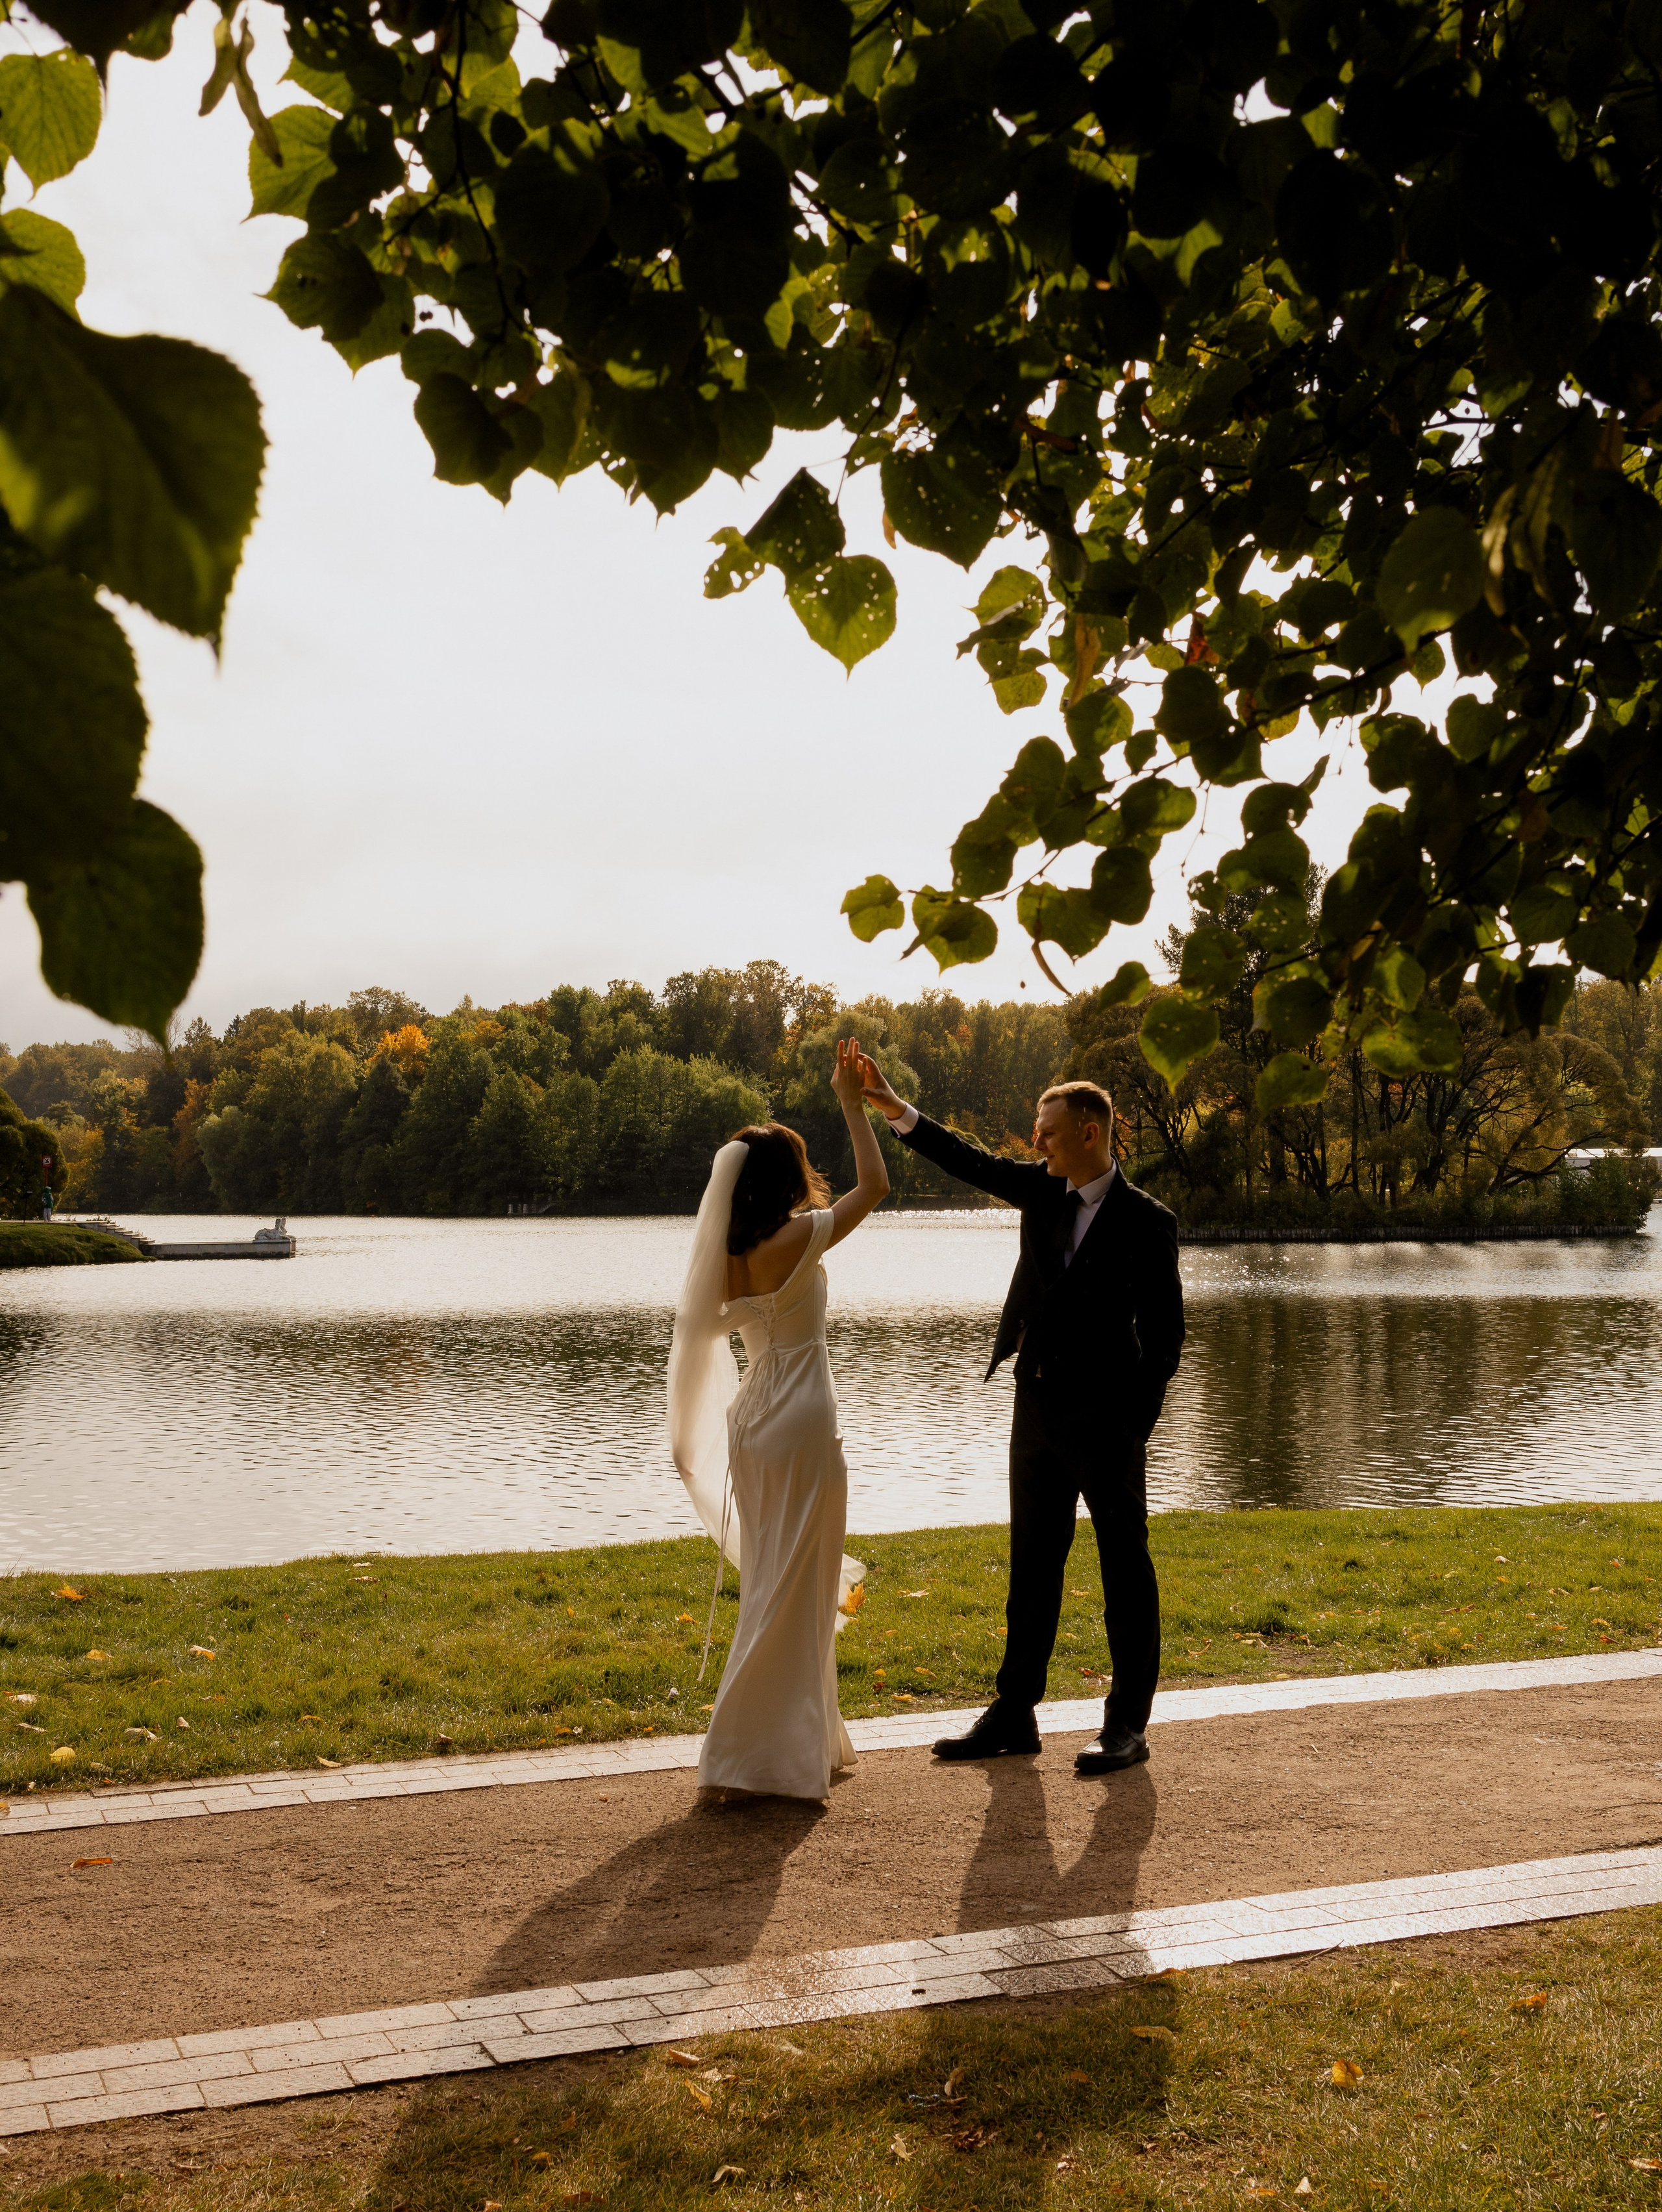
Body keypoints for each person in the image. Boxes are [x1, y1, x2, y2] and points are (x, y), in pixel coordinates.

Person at [858, 1061, 1184, 1776]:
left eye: (1049, 1130)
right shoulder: (1040, 1190)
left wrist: (1133, 1426)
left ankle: (1126, 1724)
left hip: (1107, 1424)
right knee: (1031, 1566)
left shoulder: (1146, 1221)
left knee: (1124, 1570)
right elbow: (966, 1158)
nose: (1037, 1141)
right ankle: (1014, 1711)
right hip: (1034, 1408)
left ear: (1089, 1133)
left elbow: (1165, 1340)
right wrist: (894, 1107)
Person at [666, 1036, 890, 1802]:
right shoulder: (803, 1235)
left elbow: (704, 1331)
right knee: (802, 1578)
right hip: (801, 1413)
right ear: (786, 1178)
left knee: (774, 1576)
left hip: (751, 1419)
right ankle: (749, 1754)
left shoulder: (726, 1258)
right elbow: (876, 1184)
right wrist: (852, 1104)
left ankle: (805, 1743)